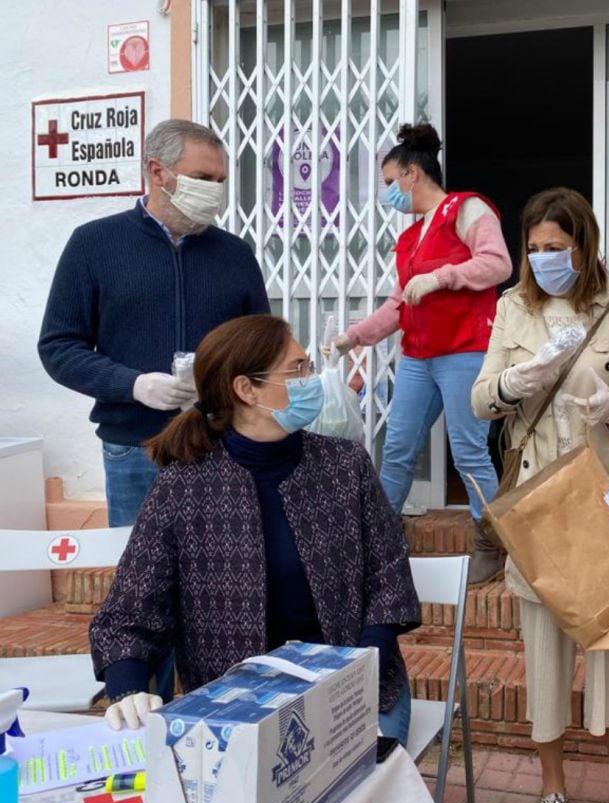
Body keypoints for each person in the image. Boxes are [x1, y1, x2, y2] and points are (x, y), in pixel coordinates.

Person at [89, 314, 421, 745]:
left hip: (355, 690)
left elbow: (389, 575)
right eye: (297, 369)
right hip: (232, 704)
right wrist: (128, 687)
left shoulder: (344, 466)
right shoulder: (183, 486)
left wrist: (362, 665)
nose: (312, 380)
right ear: (246, 389)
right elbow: (130, 612)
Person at [471, 187, 609, 803]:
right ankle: (554, 788)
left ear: (583, 245)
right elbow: (481, 399)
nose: (542, 259)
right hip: (540, 507)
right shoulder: (513, 308)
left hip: (607, 503)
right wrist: (511, 382)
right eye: (532, 249)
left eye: (555, 247)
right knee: (545, 661)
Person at [39, 119, 270, 529]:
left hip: (220, 444)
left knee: (222, 575)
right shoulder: (93, 244)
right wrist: (135, 385)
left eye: (220, 179)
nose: (214, 189)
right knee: (141, 579)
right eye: (202, 177)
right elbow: (59, 347)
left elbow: (262, 350)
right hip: (134, 446)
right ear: (157, 172)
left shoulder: (235, 254)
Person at [333, 123, 511, 586]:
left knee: (470, 452)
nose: (387, 192)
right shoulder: (411, 238)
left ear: (413, 174)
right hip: (417, 353)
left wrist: (442, 277)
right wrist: (356, 337)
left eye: (390, 181)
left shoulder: (465, 209)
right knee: (397, 447)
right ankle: (381, 539)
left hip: (464, 350)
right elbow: (398, 303)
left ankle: (491, 543)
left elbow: (498, 263)